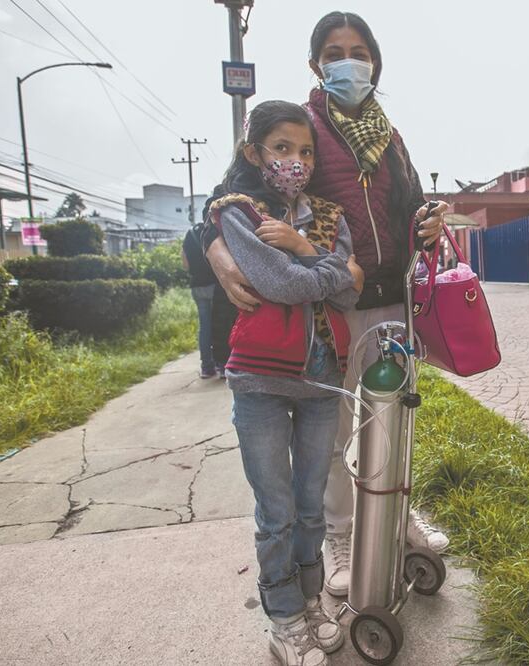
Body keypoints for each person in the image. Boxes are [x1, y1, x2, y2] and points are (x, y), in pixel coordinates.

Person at [200, 11, 451, 602]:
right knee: (336, 429)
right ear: (316, 63)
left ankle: (396, 516)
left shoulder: (389, 135)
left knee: (393, 418)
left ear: (375, 60)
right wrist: (212, 247)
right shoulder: (301, 129)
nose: (350, 62)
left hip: (392, 302)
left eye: (360, 51)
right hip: (333, 307)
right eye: (336, 51)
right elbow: (225, 195)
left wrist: (426, 219)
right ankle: (341, 534)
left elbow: (406, 205)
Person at [210, 99, 365, 666]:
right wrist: (327, 268)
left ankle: (310, 604)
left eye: (304, 150)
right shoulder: (239, 213)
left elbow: (349, 294)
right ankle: (282, 619)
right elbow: (281, 285)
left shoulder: (329, 214)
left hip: (323, 378)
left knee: (309, 510)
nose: (294, 161)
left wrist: (304, 249)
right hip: (261, 382)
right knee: (275, 513)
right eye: (281, 148)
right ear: (254, 153)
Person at [182, 225, 236, 379]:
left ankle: (206, 367)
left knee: (204, 326)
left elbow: (185, 264)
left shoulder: (189, 234)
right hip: (215, 284)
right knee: (221, 323)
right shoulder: (213, 232)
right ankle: (222, 364)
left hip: (197, 287)